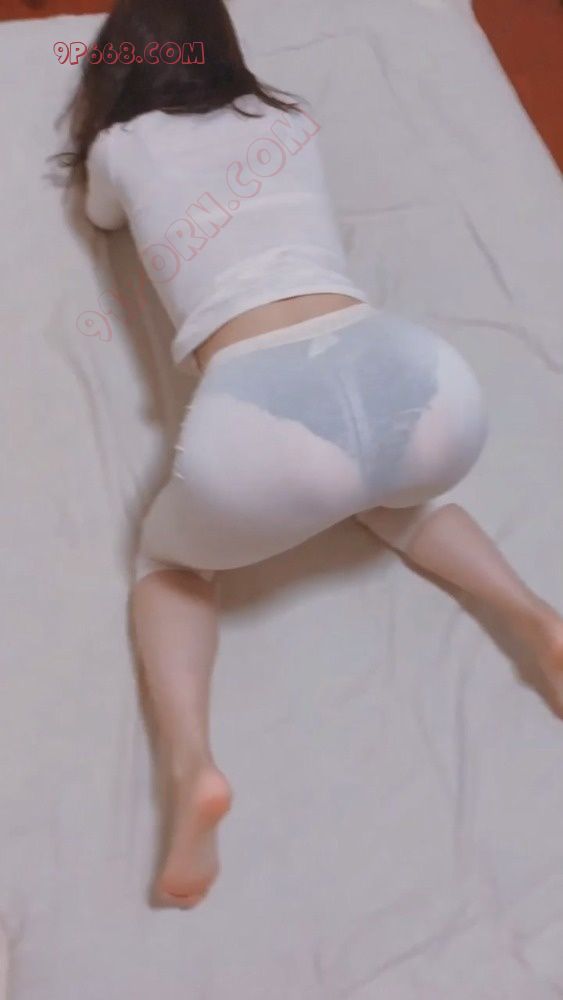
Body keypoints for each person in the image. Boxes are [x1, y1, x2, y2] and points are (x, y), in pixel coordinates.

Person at [55, 0, 563, 911]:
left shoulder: (123, 145)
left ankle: (193, 766)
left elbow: (99, 219)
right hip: (414, 378)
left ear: (118, 63)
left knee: (167, 562)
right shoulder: (286, 117)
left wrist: (101, 133)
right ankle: (536, 618)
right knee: (390, 490)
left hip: (261, 410)